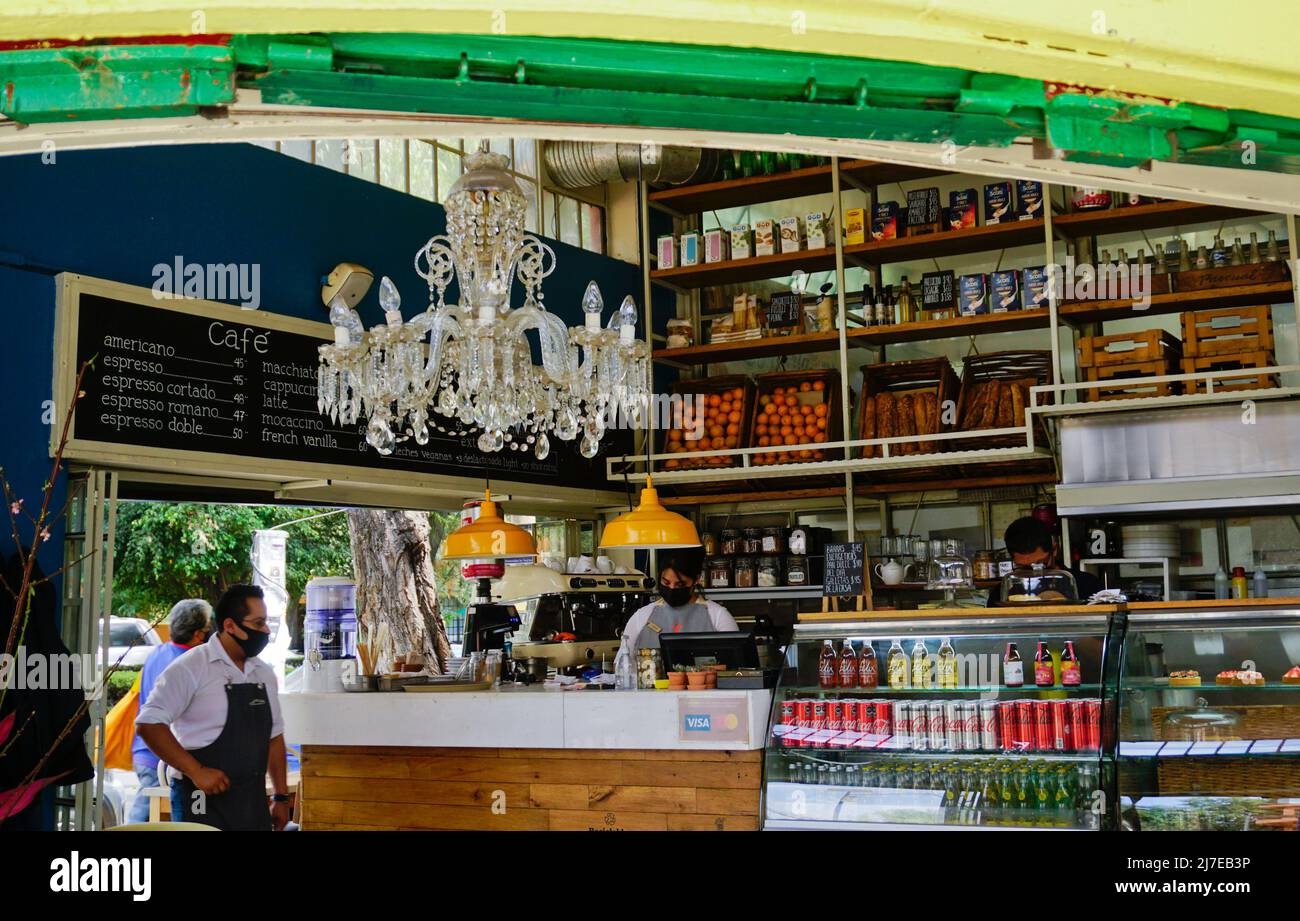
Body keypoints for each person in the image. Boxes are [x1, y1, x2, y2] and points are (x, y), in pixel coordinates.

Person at [136, 584, 290, 830]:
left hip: (251, 801)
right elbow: (149, 725)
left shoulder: (263, 673)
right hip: (199, 801)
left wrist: (281, 797)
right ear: (230, 626)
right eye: (258, 623)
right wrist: (196, 771)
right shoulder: (190, 667)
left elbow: (274, 737)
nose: (266, 630)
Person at [126, 599, 211, 824]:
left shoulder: (158, 652)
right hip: (163, 760)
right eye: (207, 629)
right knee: (147, 817)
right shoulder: (186, 666)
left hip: (146, 755)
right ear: (197, 635)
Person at [621, 547, 738, 650]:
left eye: (680, 584)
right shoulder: (642, 616)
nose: (671, 588)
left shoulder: (718, 616)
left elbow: (737, 663)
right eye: (666, 582)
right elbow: (622, 664)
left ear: (696, 579)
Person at [985, 517, 1103, 606]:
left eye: (1040, 564)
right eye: (1024, 568)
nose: (1034, 573)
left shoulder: (1087, 585)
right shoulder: (1001, 594)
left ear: (1054, 550)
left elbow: (1101, 633)